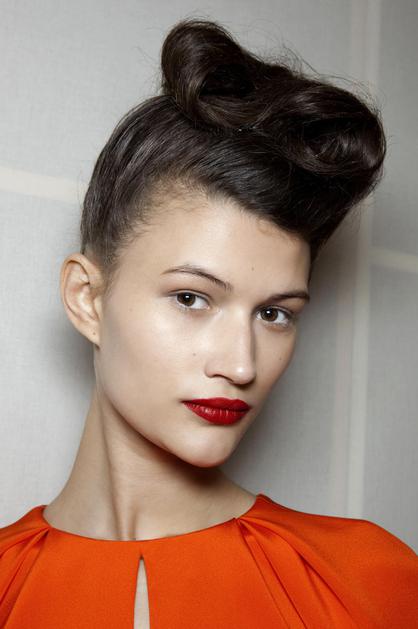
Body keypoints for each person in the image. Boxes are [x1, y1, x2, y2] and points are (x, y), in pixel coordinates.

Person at [1, 17, 417, 629]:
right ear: (87, 299)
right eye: (192, 298)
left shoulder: (366, 583)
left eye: (274, 313)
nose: (241, 364)